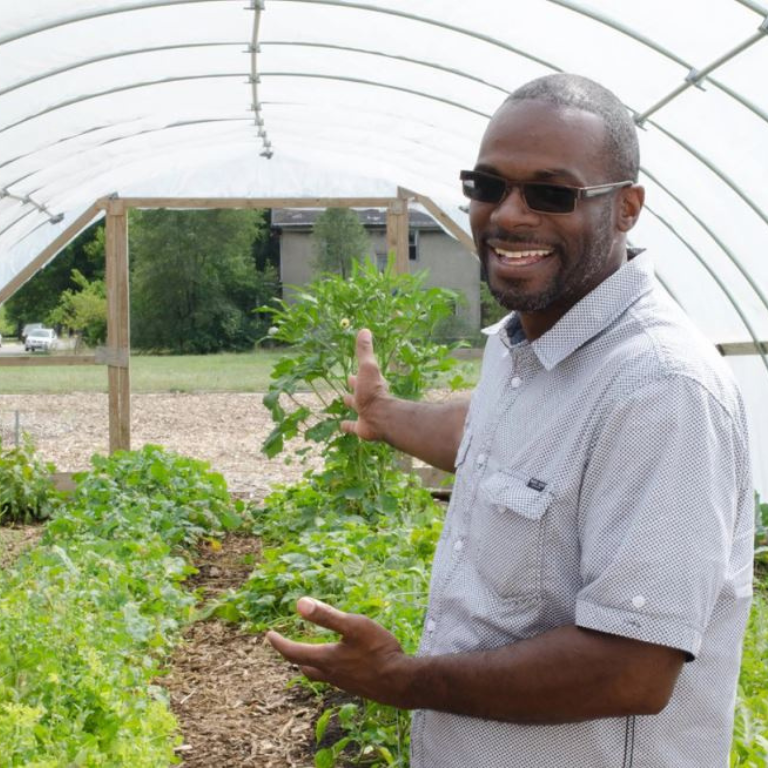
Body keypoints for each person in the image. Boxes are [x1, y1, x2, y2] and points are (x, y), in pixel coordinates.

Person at [268, 74, 754, 767]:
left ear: (627, 208)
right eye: (488, 186)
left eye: (551, 194)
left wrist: (402, 682)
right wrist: (384, 412)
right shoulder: (524, 345)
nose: (509, 215)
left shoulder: (660, 388)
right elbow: (493, 443)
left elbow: (633, 669)